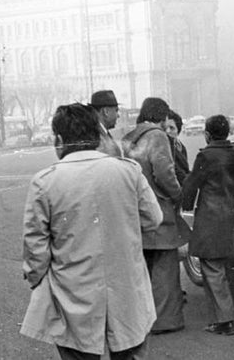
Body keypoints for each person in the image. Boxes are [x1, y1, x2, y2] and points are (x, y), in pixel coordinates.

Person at [20, 103, 162, 360]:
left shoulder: (45, 181)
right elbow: (153, 218)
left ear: (60, 140)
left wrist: (36, 278)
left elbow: (35, 250)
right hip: (127, 288)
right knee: (131, 350)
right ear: (97, 137)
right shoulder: (128, 170)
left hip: (72, 294)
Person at [122, 97, 191, 334]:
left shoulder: (128, 138)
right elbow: (165, 173)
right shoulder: (157, 136)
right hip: (160, 213)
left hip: (134, 213)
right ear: (161, 116)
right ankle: (165, 321)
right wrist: (178, 195)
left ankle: (143, 321)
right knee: (165, 270)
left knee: (143, 270)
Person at [182, 115, 234, 335]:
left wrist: (185, 203)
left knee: (211, 268)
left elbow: (192, 184)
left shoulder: (205, 156)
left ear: (207, 134)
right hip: (228, 214)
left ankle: (223, 320)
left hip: (209, 217)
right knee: (225, 266)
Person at [90, 89, 122, 157]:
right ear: (106, 111)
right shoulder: (98, 139)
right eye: (116, 110)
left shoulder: (101, 134)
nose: (118, 115)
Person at [164, 109, 190, 184]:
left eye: (171, 128)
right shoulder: (162, 149)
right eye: (165, 128)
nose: (168, 131)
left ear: (178, 131)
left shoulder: (181, 147)